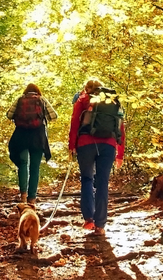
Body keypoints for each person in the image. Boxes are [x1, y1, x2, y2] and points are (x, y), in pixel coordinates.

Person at [69, 77, 125, 234]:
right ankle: (100, 226)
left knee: (87, 179)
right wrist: (120, 153)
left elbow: (74, 123)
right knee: (102, 182)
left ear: (86, 88)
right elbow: (121, 127)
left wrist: (72, 146)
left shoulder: (83, 99)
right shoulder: (112, 101)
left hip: (85, 144)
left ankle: (89, 220)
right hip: (108, 145)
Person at [7, 83, 57, 206]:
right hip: (38, 136)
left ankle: (23, 195)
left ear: (26, 91)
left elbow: (9, 115)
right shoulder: (41, 99)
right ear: (37, 91)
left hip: (21, 135)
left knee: (23, 164)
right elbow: (54, 116)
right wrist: (42, 118)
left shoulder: (20, 99)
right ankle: (32, 199)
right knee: (35, 168)